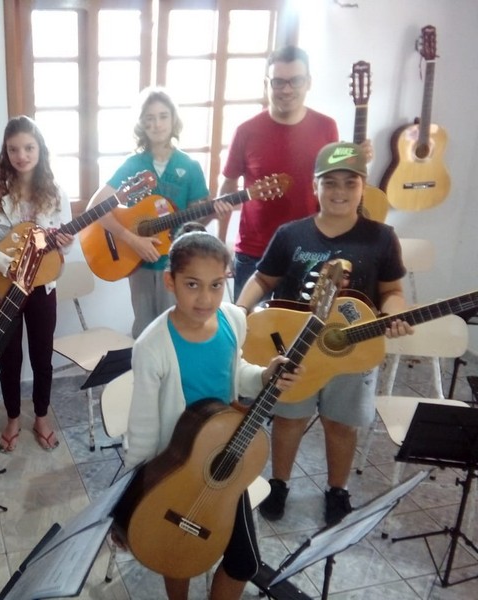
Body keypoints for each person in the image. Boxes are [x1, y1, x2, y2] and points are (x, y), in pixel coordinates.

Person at [235, 142, 413, 526]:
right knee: (288, 420)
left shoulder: (381, 237)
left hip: (351, 351)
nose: (339, 192)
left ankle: (337, 489)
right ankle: (279, 483)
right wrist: (238, 311)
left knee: (340, 424)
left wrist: (395, 315)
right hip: (294, 349)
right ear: (315, 187)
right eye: (330, 182)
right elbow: (263, 278)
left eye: (350, 183)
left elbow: (393, 292)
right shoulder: (290, 234)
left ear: (363, 186)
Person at [124, 223, 301, 600]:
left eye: (216, 284)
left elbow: (235, 372)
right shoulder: (152, 346)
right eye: (193, 284)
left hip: (223, 457)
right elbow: (141, 427)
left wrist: (264, 374)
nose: (205, 298)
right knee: (177, 552)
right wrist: (135, 495)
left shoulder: (233, 320)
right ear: (170, 282)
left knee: (243, 562)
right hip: (175, 466)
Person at [218, 46, 376, 300]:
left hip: (309, 251)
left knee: (299, 332)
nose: (287, 89)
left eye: (296, 80)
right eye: (278, 82)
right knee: (246, 331)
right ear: (267, 84)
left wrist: (359, 156)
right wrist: (220, 245)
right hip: (254, 252)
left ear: (308, 82)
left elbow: (334, 180)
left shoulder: (327, 127)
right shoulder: (246, 130)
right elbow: (227, 188)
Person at [0, 116, 73, 453]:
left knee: (42, 356)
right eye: (14, 149)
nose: (21, 155)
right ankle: (12, 417)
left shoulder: (55, 193)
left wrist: (65, 241)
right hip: (3, 286)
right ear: (5, 152)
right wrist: (4, 262)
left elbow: (67, 247)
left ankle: (40, 415)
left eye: (28, 147)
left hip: (41, 287)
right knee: (9, 357)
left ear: (40, 149)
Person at [85, 87, 231, 338]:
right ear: (141, 124)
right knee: (144, 328)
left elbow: (195, 221)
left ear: (173, 119)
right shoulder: (133, 165)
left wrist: (214, 214)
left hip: (177, 264)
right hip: (139, 262)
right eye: (150, 118)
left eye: (163, 116)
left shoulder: (190, 166)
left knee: (175, 329)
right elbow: (96, 206)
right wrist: (132, 239)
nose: (157, 124)